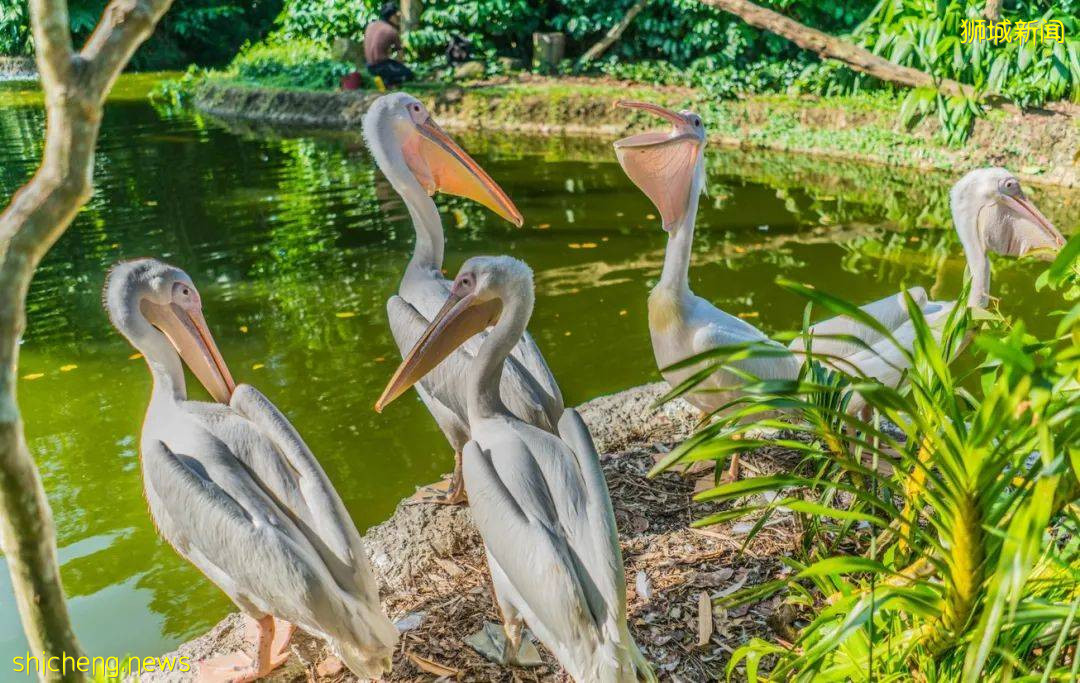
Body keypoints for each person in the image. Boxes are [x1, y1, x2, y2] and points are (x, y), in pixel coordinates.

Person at [364, 2, 415, 89]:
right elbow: (400, 55)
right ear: (392, 16)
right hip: (381, 66)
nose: (399, 18)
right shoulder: (391, 30)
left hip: (368, 66)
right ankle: (389, 81)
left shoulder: (370, 25)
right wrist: (401, 66)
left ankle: (385, 79)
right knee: (409, 74)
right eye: (397, 16)